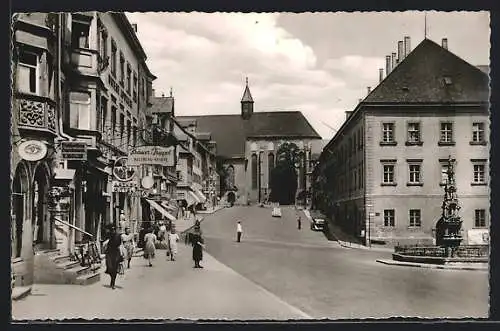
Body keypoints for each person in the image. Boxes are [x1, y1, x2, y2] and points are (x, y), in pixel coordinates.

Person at [103, 225, 123, 290]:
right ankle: (112, 279)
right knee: (110, 267)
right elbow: (105, 243)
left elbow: (120, 244)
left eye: (114, 229)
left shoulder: (118, 236)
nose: (113, 231)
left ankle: (113, 282)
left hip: (116, 253)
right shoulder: (108, 236)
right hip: (110, 252)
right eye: (112, 230)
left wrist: (121, 253)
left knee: (115, 268)